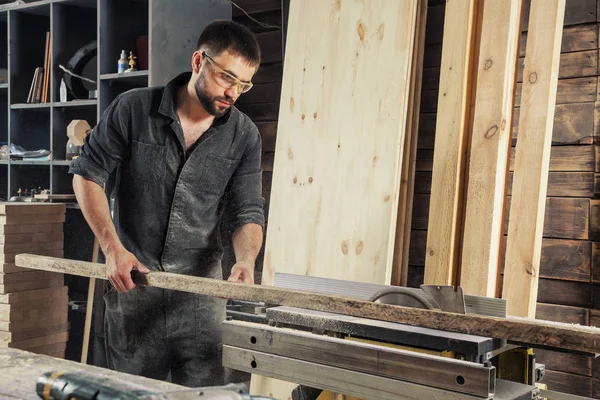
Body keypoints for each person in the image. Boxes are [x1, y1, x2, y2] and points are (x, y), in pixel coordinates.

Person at [69, 20, 265, 387]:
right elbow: (87, 174)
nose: (233, 92)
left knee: (207, 395)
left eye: (244, 84)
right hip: (134, 286)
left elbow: (247, 209)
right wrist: (112, 249)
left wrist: (245, 260)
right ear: (198, 62)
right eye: (227, 77)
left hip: (201, 298)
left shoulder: (244, 136)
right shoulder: (132, 109)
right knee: (131, 394)